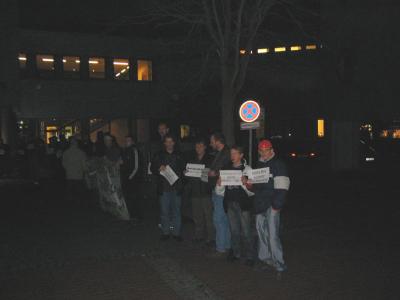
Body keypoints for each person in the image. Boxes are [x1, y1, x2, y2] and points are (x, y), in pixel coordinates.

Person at [245, 139, 290, 274]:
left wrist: (276, 206)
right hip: (260, 205)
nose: (264, 153)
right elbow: (256, 188)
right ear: (259, 151)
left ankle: (279, 262)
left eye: (266, 150)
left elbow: (283, 187)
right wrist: (250, 185)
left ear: (272, 150)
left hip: (272, 205)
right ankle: (265, 258)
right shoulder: (259, 165)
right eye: (261, 150)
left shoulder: (278, 164)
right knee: (261, 232)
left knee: (272, 235)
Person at [217, 145, 254, 266]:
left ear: (241, 155)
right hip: (230, 203)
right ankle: (237, 254)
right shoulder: (226, 169)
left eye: (235, 153)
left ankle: (250, 256)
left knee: (246, 231)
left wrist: (247, 182)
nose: (232, 156)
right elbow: (219, 192)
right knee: (234, 231)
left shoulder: (247, 169)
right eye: (231, 154)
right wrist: (219, 184)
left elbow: (252, 190)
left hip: (243, 205)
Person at [151, 134, 185, 241]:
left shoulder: (180, 155)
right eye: (167, 141)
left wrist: (184, 173)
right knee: (164, 211)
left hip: (176, 188)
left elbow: (185, 169)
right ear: (164, 143)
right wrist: (158, 168)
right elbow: (152, 168)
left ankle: (176, 233)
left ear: (174, 143)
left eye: (171, 141)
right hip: (164, 188)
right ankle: (165, 233)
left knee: (177, 211)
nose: (169, 143)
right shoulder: (159, 155)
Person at [185, 138, 215, 244]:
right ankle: (199, 235)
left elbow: (213, 174)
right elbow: (189, 177)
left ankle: (211, 237)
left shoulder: (210, 159)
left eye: (201, 146)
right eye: (197, 146)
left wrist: (211, 174)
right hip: (195, 192)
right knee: (197, 216)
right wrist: (186, 173)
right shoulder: (192, 159)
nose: (199, 148)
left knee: (208, 216)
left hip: (206, 192)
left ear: (205, 147)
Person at [208, 132, 231, 256]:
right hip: (218, 189)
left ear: (217, 141)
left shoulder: (226, 153)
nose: (210, 143)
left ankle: (221, 247)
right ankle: (226, 245)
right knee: (223, 219)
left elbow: (227, 169)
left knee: (218, 219)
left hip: (221, 190)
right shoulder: (220, 153)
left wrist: (215, 173)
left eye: (212, 140)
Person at [121, 135, 143, 222]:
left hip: (133, 179)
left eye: (129, 140)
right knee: (129, 197)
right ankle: (131, 214)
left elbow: (136, 166)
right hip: (127, 178)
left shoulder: (134, 150)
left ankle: (137, 215)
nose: (127, 142)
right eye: (126, 140)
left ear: (133, 142)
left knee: (135, 197)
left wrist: (130, 177)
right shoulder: (125, 151)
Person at [62, 137, 88, 206]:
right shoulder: (81, 153)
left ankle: (70, 204)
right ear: (77, 143)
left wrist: (67, 169)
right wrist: (85, 171)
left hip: (69, 174)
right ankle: (78, 203)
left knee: (70, 190)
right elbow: (84, 164)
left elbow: (63, 163)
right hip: (79, 175)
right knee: (78, 191)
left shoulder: (66, 152)